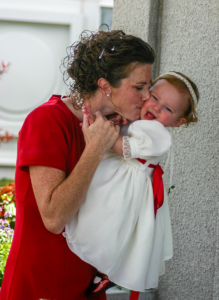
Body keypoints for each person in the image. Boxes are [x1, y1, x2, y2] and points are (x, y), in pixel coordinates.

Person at [0, 28, 155, 300]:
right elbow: (54, 217)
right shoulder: (47, 121)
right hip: (41, 285)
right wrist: (94, 150)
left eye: (149, 88)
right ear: (106, 86)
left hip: (89, 285)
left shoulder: (116, 129)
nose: (147, 97)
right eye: (139, 87)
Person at [64, 71, 199, 296]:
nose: (156, 108)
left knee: (111, 227)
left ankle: (108, 270)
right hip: (114, 176)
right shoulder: (139, 119)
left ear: (179, 122)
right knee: (97, 216)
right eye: (154, 98)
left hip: (126, 189)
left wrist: (100, 128)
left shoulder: (158, 134)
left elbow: (121, 146)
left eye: (168, 109)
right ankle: (101, 266)